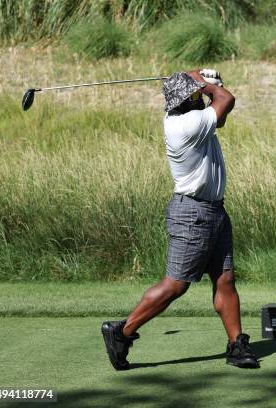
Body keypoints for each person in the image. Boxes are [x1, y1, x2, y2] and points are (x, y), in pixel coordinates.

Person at [101, 70, 259, 370]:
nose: (199, 96)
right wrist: (208, 82)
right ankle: (121, 331)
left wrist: (207, 83)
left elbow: (221, 114)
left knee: (225, 278)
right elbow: (226, 100)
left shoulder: (193, 117)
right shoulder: (184, 125)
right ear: (187, 99)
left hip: (214, 211)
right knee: (176, 285)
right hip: (192, 214)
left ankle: (236, 345)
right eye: (195, 93)